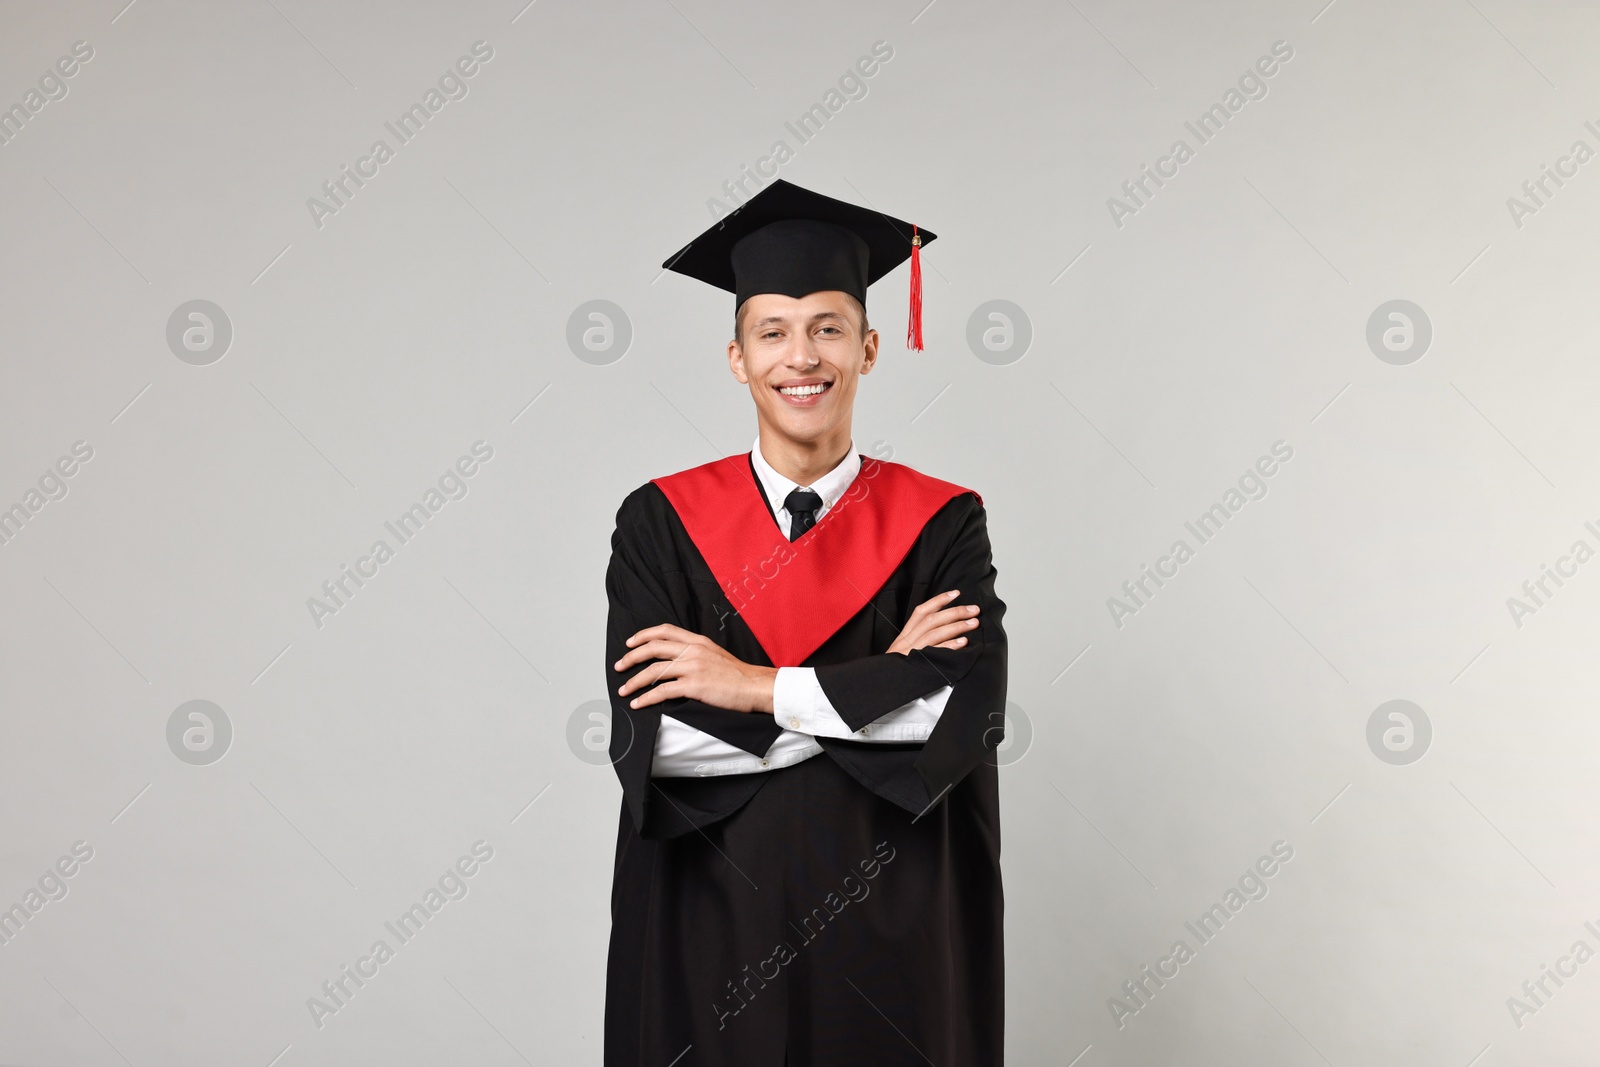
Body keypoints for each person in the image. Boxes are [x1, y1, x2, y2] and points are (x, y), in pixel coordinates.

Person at [602, 179, 1008, 1065]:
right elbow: (658, 742)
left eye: (828, 327)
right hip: (708, 920)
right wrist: (872, 695)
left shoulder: (942, 523)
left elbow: (964, 716)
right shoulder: (660, 524)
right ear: (738, 357)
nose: (802, 357)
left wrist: (749, 687)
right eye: (773, 332)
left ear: (868, 348)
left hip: (893, 921)